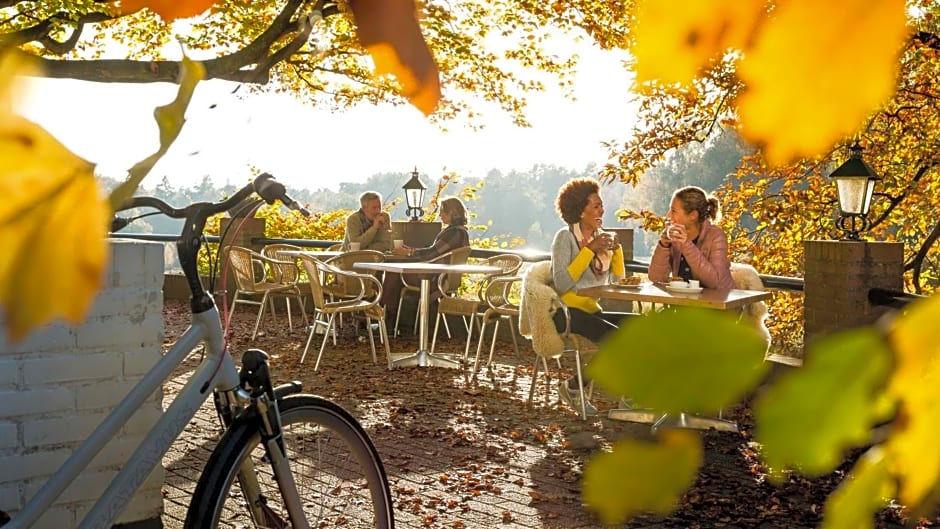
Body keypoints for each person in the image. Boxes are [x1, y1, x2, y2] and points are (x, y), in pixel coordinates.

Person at [550, 178, 631, 415]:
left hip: (592, 311)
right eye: (596, 205)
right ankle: (576, 388)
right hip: (565, 313)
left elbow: (617, 283)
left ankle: (580, 387)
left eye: (601, 205)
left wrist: (617, 253)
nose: (601, 210)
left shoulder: (602, 238)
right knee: (617, 340)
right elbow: (562, 283)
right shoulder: (564, 238)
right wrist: (588, 250)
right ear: (580, 210)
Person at [379, 196, 471, 324]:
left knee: (394, 273)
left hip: (434, 279)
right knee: (396, 274)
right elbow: (435, 252)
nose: (440, 214)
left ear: (452, 213)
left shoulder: (454, 233)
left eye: (443, 211)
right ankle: (390, 318)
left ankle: (384, 317)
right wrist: (410, 251)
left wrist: (410, 252)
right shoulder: (461, 232)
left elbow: (432, 253)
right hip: (443, 277)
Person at [648, 186, 735, 289]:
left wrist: (686, 244)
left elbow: (714, 282)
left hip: (718, 302)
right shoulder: (674, 237)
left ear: (693, 215)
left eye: (673, 211)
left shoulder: (716, 236)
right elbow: (655, 278)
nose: (668, 216)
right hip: (684, 301)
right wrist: (663, 245)